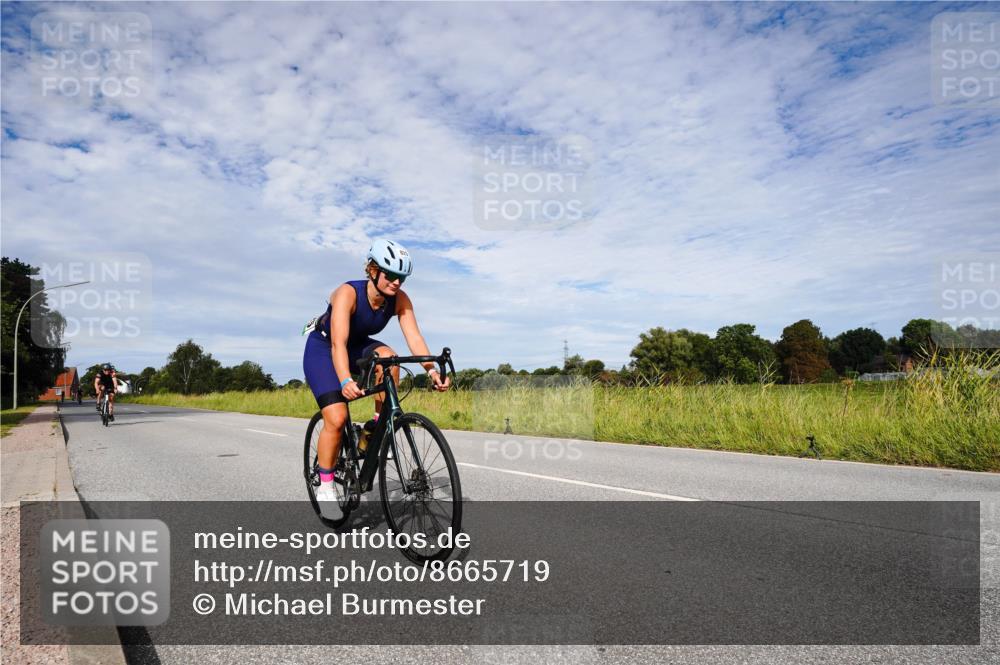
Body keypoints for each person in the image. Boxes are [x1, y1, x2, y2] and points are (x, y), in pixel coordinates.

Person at [302, 238, 450, 516]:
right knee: (336, 418)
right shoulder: (348, 293)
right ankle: (325, 485)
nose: (396, 283)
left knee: (389, 358)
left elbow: (414, 337)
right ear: (372, 270)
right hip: (324, 348)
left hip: (357, 345)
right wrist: (345, 380)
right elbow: (338, 344)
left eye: (401, 278)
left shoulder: (399, 300)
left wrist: (431, 370)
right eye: (391, 275)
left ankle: (374, 428)